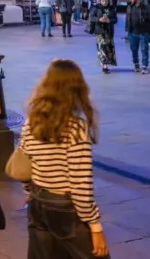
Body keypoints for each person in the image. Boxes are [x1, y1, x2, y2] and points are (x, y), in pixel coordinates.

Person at [19, 60, 109, 258]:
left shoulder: (32, 121)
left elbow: (24, 166)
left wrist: (29, 192)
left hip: (37, 202)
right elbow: (80, 184)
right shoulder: (76, 128)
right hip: (65, 209)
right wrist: (95, 227)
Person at [124, 0, 150, 74]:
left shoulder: (145, 7)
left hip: (143, 32)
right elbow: (127, 18)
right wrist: (127, 29)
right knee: (134, 50)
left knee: (144, 50)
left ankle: (144, 67)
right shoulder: (129, 7)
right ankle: (136, 65)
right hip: (132, 33)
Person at [89, 0, 117, 74]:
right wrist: (99, 19)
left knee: (109, 47)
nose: (104, 2)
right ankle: (105, 66)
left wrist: (109, 20)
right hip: (99, 31)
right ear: (100, 1)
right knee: (102, 47)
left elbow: (115, 19)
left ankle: (107, 63)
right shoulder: (96, 8)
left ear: (108, 1)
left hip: (109, 31)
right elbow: (91, 17)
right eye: (103, 1)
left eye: (106, 1)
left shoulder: (111, 9)